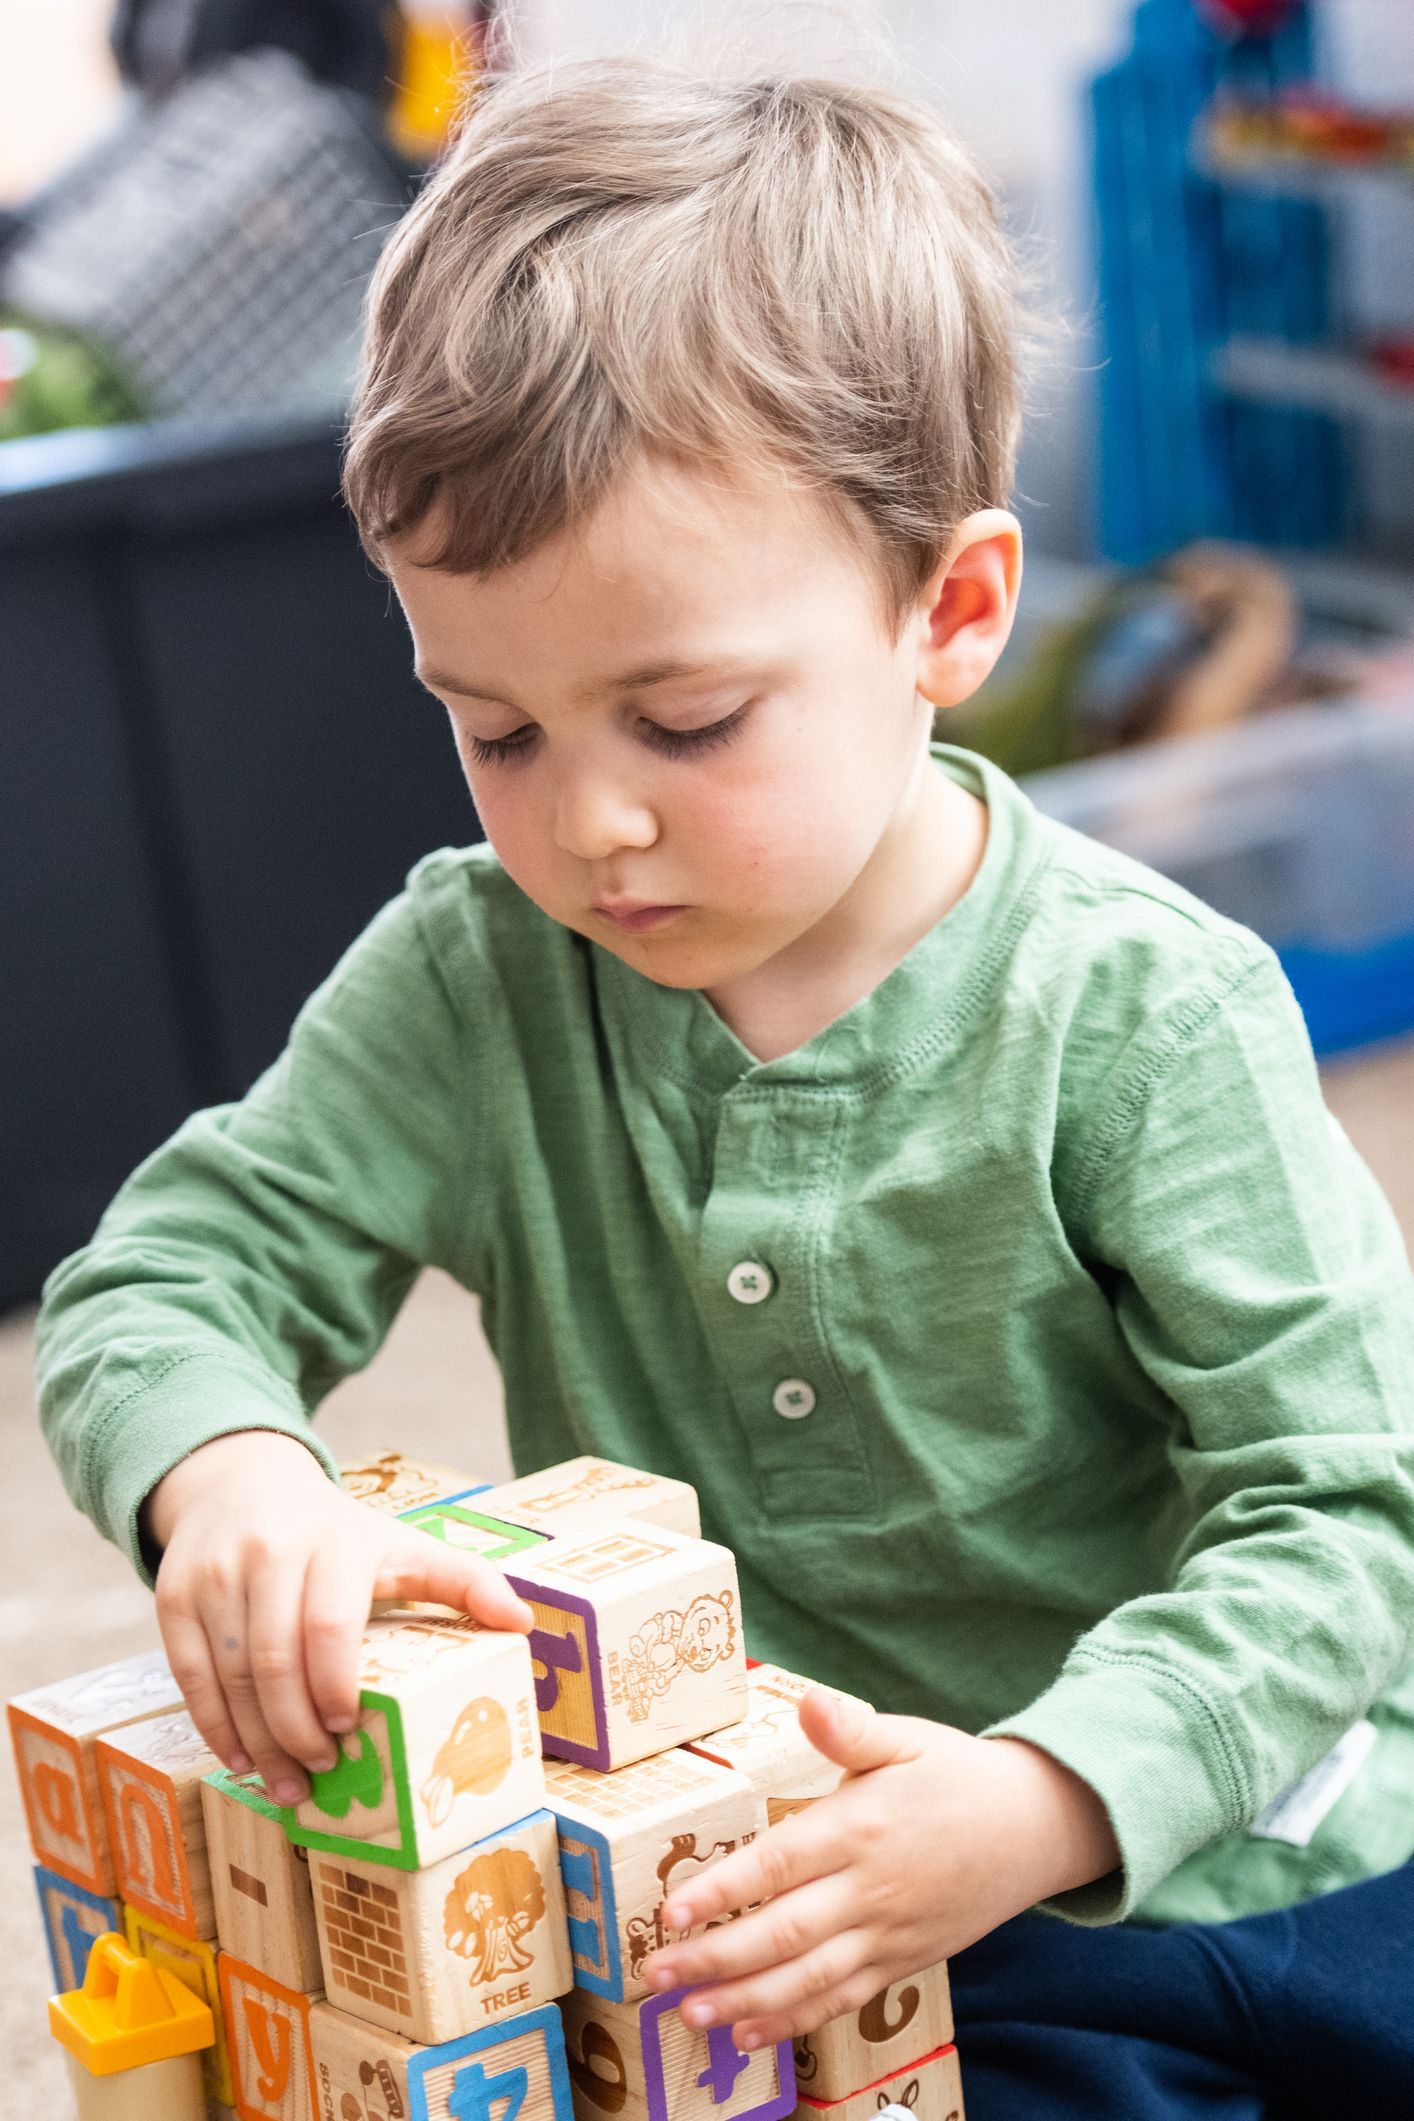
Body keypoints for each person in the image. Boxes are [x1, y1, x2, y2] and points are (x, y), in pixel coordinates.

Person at [34, 49, 1414, 2118]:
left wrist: (1038, 1793)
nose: (588, 824)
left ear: (944, 609)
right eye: (492, 729)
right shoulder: (477, 974)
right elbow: (173, 1264)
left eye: (683, 718)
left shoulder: (1141, 1011)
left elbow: (1349, 1516)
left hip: (1254, 1863)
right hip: (771, 1902)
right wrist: (223, 1467)